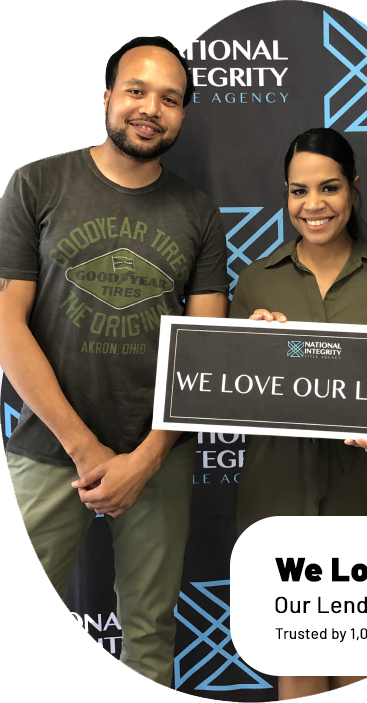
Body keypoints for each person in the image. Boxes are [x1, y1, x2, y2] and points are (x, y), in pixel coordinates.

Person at [0, 36, 228, 686]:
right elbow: (6, 322)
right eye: (136, 90)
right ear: (107, 97)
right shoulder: (36, 184)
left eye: (170, 99)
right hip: (48, 450)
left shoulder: (198, 212)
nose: (151, 108)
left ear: (182, 114)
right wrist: (86, 449)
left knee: (150, 637)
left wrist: (147, 457)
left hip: (158, 457)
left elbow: (204, 352)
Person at [230, 127, 367, 700]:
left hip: (366, 493)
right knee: (298, 661)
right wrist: (251, 347)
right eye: (298, 191)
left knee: (360, 658)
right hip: (277, 492)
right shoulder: (255, 281)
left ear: (354, 189)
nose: (313, 204)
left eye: (329, 187)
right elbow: (230, 394)